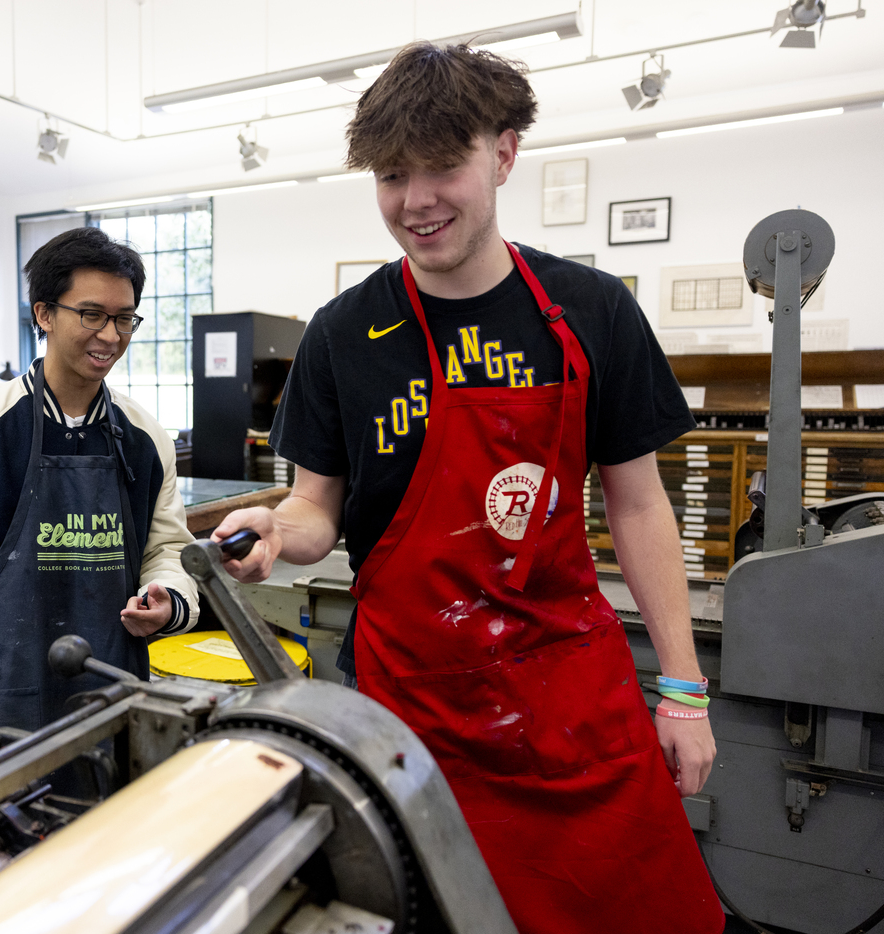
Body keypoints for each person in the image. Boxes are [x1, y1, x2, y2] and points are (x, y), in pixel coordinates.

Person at [212, 43, 722, 933]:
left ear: (504, 154)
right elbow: (315, 507)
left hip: (568, 702)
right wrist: (278, 531)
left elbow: (639, 504)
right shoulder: (344, 333)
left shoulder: (591, 310)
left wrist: (683, 689)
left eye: (442, 166)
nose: (416, 200)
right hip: (409, 708)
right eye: (391, 175)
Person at [0, 226, 198, 773]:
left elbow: (167, 548)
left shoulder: (145, 436)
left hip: (112, 686)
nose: (111, 335)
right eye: (92, 314)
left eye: (125, 318)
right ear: (44, 314)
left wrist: (169, 596)